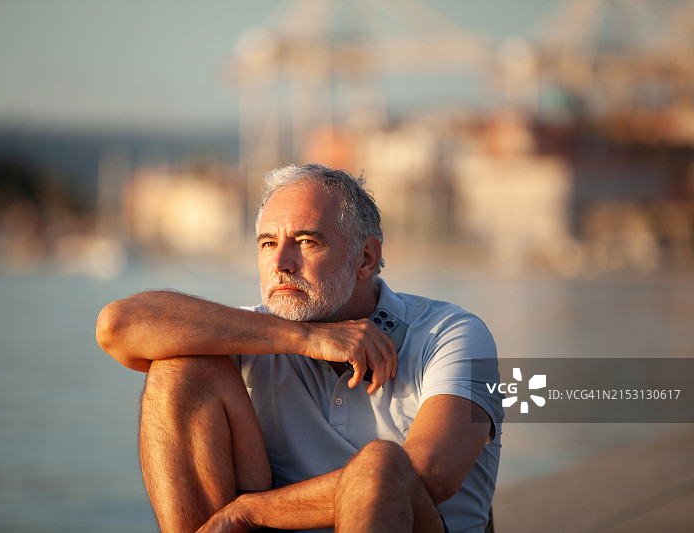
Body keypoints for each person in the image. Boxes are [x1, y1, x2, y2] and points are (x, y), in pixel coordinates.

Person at [96, 163, 503, 533]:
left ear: (365, 259)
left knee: (380, 465)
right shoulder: (257, 331)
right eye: (268, 243)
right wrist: (307, 338)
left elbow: (430, 473)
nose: (281, 263)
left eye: (307, 242)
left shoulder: (454, 333)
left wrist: (249, 511)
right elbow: (118, 326)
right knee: (179, 370)